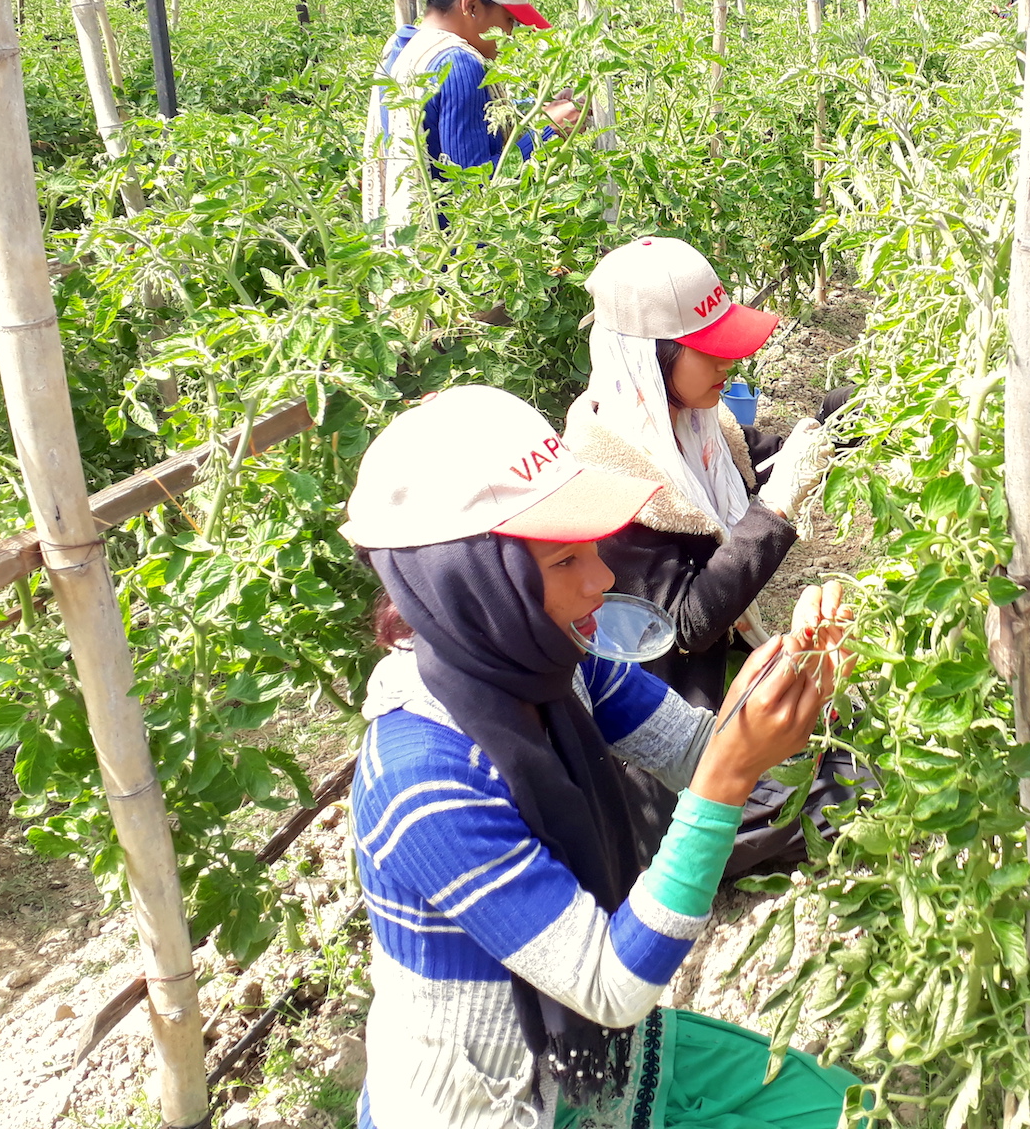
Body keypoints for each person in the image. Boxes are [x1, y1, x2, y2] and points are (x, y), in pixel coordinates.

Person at [344, 384, 861, 1129]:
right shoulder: (421, 777)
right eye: (562, 563)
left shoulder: (563, 665)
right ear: (473, 586)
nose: (602, 578)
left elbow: (706, 757)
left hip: (591, 1057)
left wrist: (795, 689)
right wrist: (727, 772)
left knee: (839, 1108)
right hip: (496, 1101)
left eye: (590, 548)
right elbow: (609, 983)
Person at [565, 236, 858, 874]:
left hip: (706, 686)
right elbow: (690, 623)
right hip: (660, 713)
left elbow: (749, 458)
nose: (728, 364)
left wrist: (832, 432)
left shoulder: (692, 424)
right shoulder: (610, 481)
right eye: (711, 351)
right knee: (822, 796)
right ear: (654, 359)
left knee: (836, 743)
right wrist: (775, 511)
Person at [360, 0, 582, 240]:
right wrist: (548, 131)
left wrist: (534, 108)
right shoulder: (460, 63)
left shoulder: (402, 45)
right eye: (509, 20)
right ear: (472, 6)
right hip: (454, 266)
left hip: (409, 253)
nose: (510, 35)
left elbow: (447, 122)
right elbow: (474, 187)